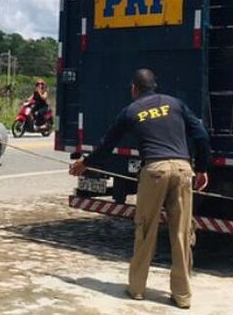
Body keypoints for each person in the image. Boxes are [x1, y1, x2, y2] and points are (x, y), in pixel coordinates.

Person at [69, 69, 210, 309]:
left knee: (146, 228)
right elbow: (201, 135)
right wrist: (203, 168)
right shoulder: (175, 104)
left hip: (154, 170)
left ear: (134, 88)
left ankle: (137, 289)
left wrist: (85, 164)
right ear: (154, 86)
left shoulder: (131, 111)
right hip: (184, 169)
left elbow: (107, 144)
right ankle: (183, 295)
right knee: (182, 233)